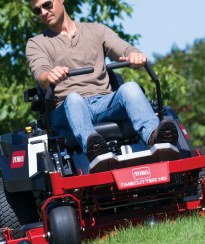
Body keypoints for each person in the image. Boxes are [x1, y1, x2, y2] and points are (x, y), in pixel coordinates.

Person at [25, 0, 178, 162]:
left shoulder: (97, 30)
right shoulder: (36, 43)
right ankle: (97, 152)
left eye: (47, 5)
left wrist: (134, 54)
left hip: (103, 102)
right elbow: (40, 72)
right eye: (37, 10)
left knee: (131, 88)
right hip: (66, 108)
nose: (43, 12)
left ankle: (157, 140)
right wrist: (49, 76)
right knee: (74, 99)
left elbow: (124, 49)